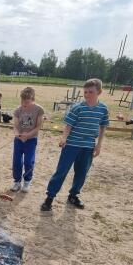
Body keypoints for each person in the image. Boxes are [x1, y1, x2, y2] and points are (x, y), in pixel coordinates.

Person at [41, 78, 109, 211]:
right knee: (62, 171)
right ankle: (49, 198)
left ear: (99, 92)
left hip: (88, 146)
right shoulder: (78, 107)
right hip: (71, 145)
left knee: (82, 172)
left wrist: (99, 145)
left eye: (91, 92)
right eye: (85, 92)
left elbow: (103, 127)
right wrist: (64, 138)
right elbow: (68, 126)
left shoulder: (103, 109)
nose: (87, 95)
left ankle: (73, 195)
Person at [10, 87, 44, 193]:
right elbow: (15, 126)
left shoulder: (39, 110)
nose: (24, 104)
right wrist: (17, 134)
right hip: (19, 140)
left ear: (32, 99)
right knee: (16, 161)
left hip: (31, 140)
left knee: (28, 161)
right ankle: (17, 181)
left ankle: (27, 181)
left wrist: (28, 134)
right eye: (22, 101)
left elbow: (39, 126)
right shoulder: (18, 110)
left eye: (27, 102)